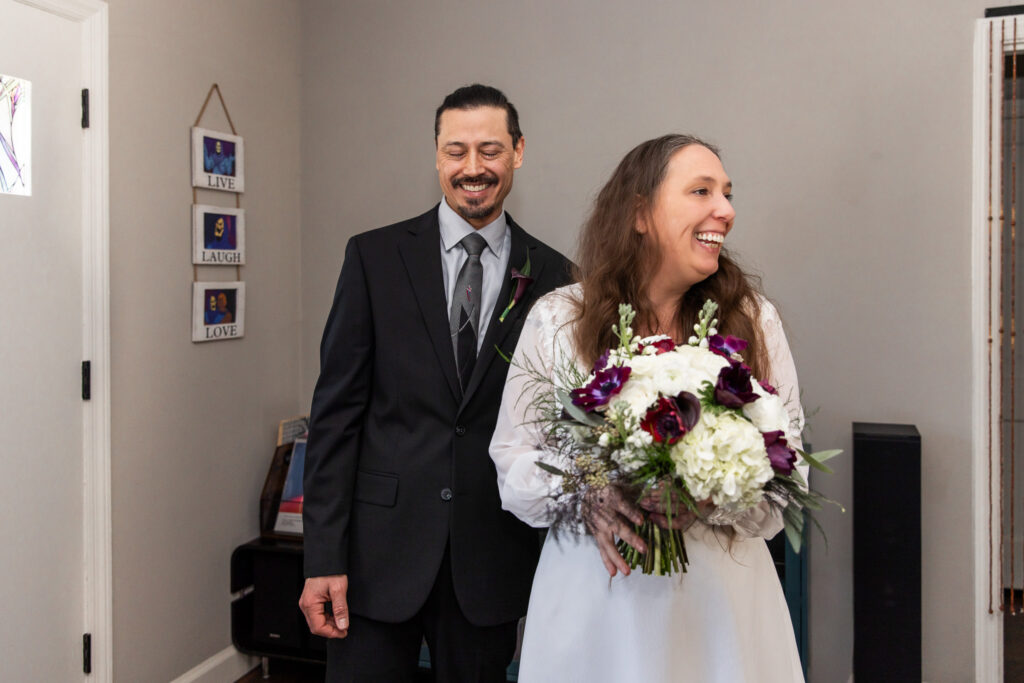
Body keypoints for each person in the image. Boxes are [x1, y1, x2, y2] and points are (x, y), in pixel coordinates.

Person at [489, 134, 806, 682]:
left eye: (727, 194)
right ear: (640, 213)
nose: (725, 211)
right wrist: (590, 489)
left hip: (720, 615)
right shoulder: (560, 320)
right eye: (701, 191)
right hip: (598, 608)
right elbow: (513, 462)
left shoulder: (755, 320)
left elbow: (790, 474)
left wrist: (713, 491)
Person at [299, 84, 572, 682]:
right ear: (437, 156)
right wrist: (322, 556)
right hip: (375, 556)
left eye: (490, 150)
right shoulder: (373, 258)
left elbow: (557, 428)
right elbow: (335, 415)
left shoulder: (557, 279)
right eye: (456, 151)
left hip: (490, 558)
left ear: (519, 152)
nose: (472, 168)